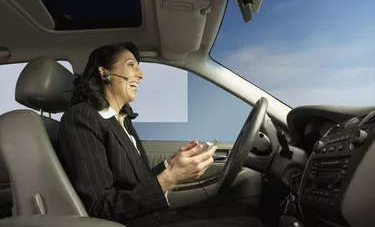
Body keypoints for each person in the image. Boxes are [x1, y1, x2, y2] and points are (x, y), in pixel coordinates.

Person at [58, 42, 264, 227]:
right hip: (144, 222)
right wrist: (170, 178)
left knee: (247, 214)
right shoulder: (82, 117)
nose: (141, 75)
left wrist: (171, 164)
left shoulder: (122, 120)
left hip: (159, 216)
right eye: (131, 65)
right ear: (104, 73)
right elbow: (101, 207)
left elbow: (137, 181)